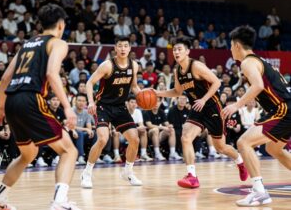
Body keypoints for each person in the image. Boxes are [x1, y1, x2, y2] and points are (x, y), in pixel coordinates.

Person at [0, 4, 80, 210]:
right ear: (61, 25)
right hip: (31, 98)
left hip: (12, 100)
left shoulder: (27, 44)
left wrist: (1, 107)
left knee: (28, 154)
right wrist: (67, 107)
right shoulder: (58, 43)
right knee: (69, 151)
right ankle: (59, 202)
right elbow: (51, 74)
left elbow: (5, 78)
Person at [155, 38, 248, 189]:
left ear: (187, 51)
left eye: (179, 49)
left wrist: (204, 99)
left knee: (220, 147)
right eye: (174, 50)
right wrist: (157, 93)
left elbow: (217, 82)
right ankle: (192, 176)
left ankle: (240, 161)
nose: (176, 52)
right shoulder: (177, 71)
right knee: (185, 137)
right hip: (197, 108)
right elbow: (177, 91)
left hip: (212, 107)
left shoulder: (196, 66)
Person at [222, 25, 291, 207]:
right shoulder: (258, 60)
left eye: (230, 46)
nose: (230, 50)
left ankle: (260, 192)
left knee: (243, 142)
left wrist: (236, 105)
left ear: (237, 46)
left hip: (284, 109)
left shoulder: (247, 62)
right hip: (285, 109)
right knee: (273, 149)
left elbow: (258, 86)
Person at [81, 37, 142, 189]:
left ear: (129, 49)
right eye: (120, 46)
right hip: (103, 106)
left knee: (135, 139)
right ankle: (87, 173)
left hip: (120, 107)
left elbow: (134, 86)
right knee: (102, 139)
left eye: (125, 46)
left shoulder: (134, 66)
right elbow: (90, 83)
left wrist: (143, 96)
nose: (123, 49)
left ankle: (128, 171)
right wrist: (90, 102)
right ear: (115, 48)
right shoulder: (107, 65)